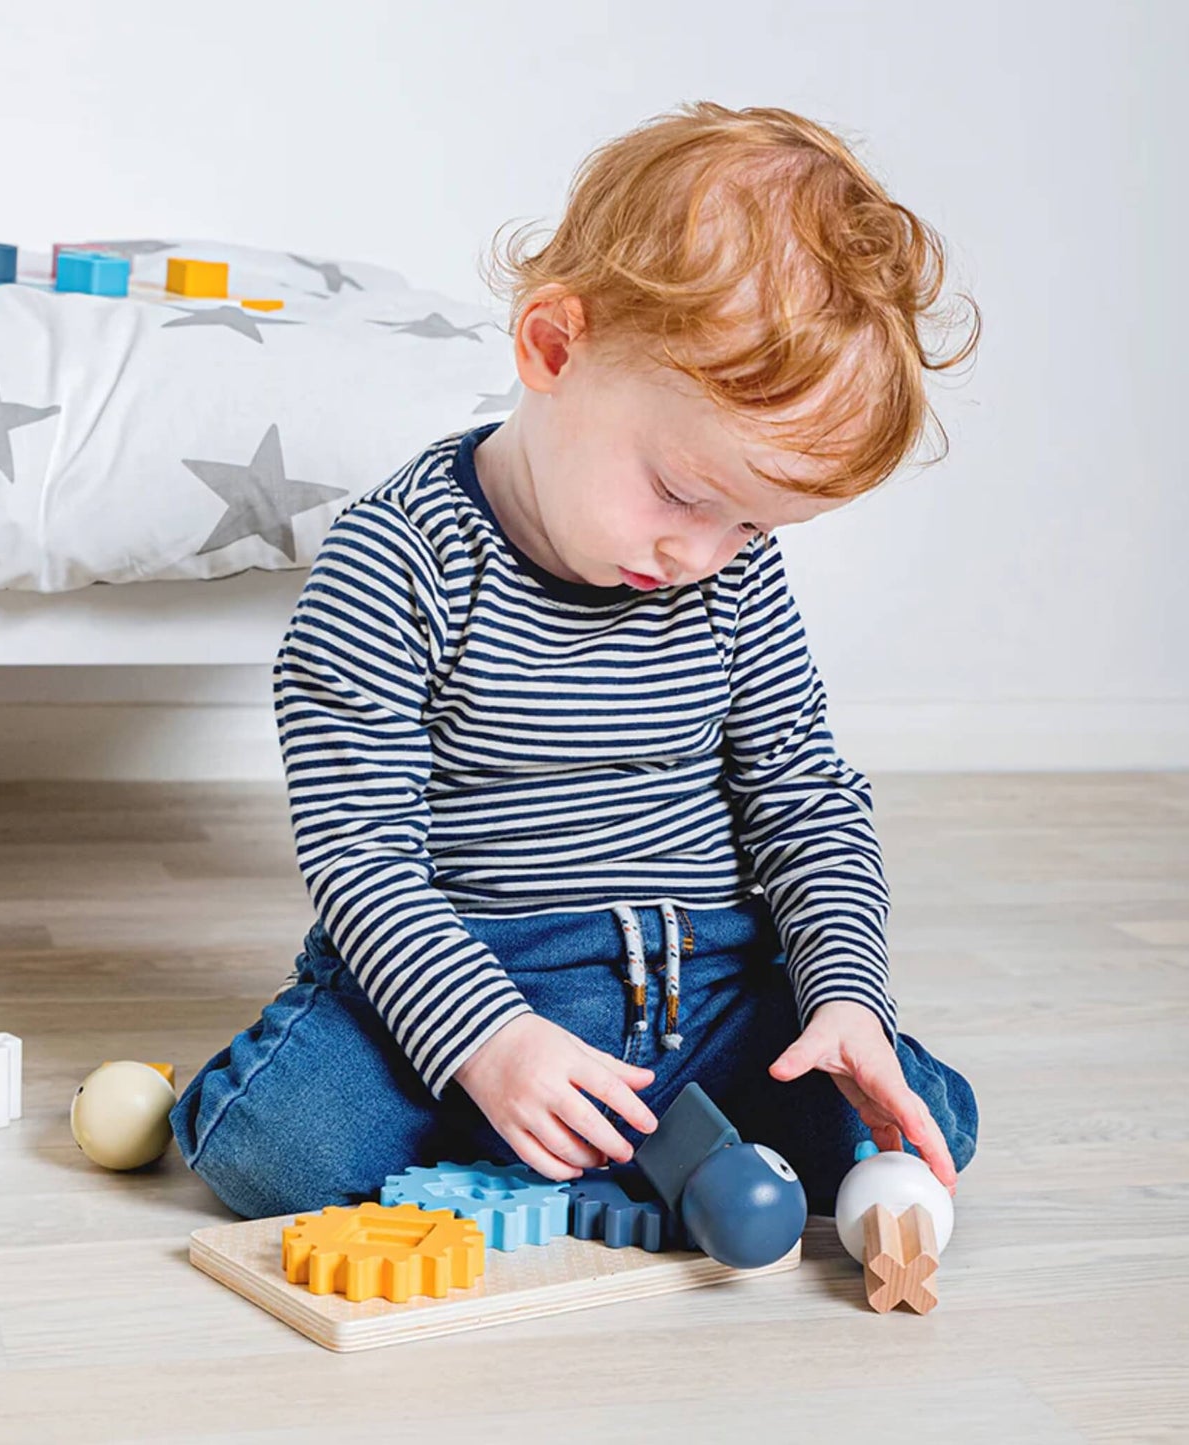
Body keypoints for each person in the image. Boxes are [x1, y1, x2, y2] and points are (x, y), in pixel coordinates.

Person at [170, 100, 983, 1222]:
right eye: (681, 493)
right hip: (474, 968)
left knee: (914, 1117)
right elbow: (361, 854)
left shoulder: (728, 572)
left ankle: (582, 1145)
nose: (702, 555)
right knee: (273, 1153)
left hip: (699, 978)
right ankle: (544, 1120)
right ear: (552, 348)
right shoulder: (394, 562)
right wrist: (489, 1040)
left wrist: (846, 999)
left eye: (752, 524)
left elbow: (804, 797)